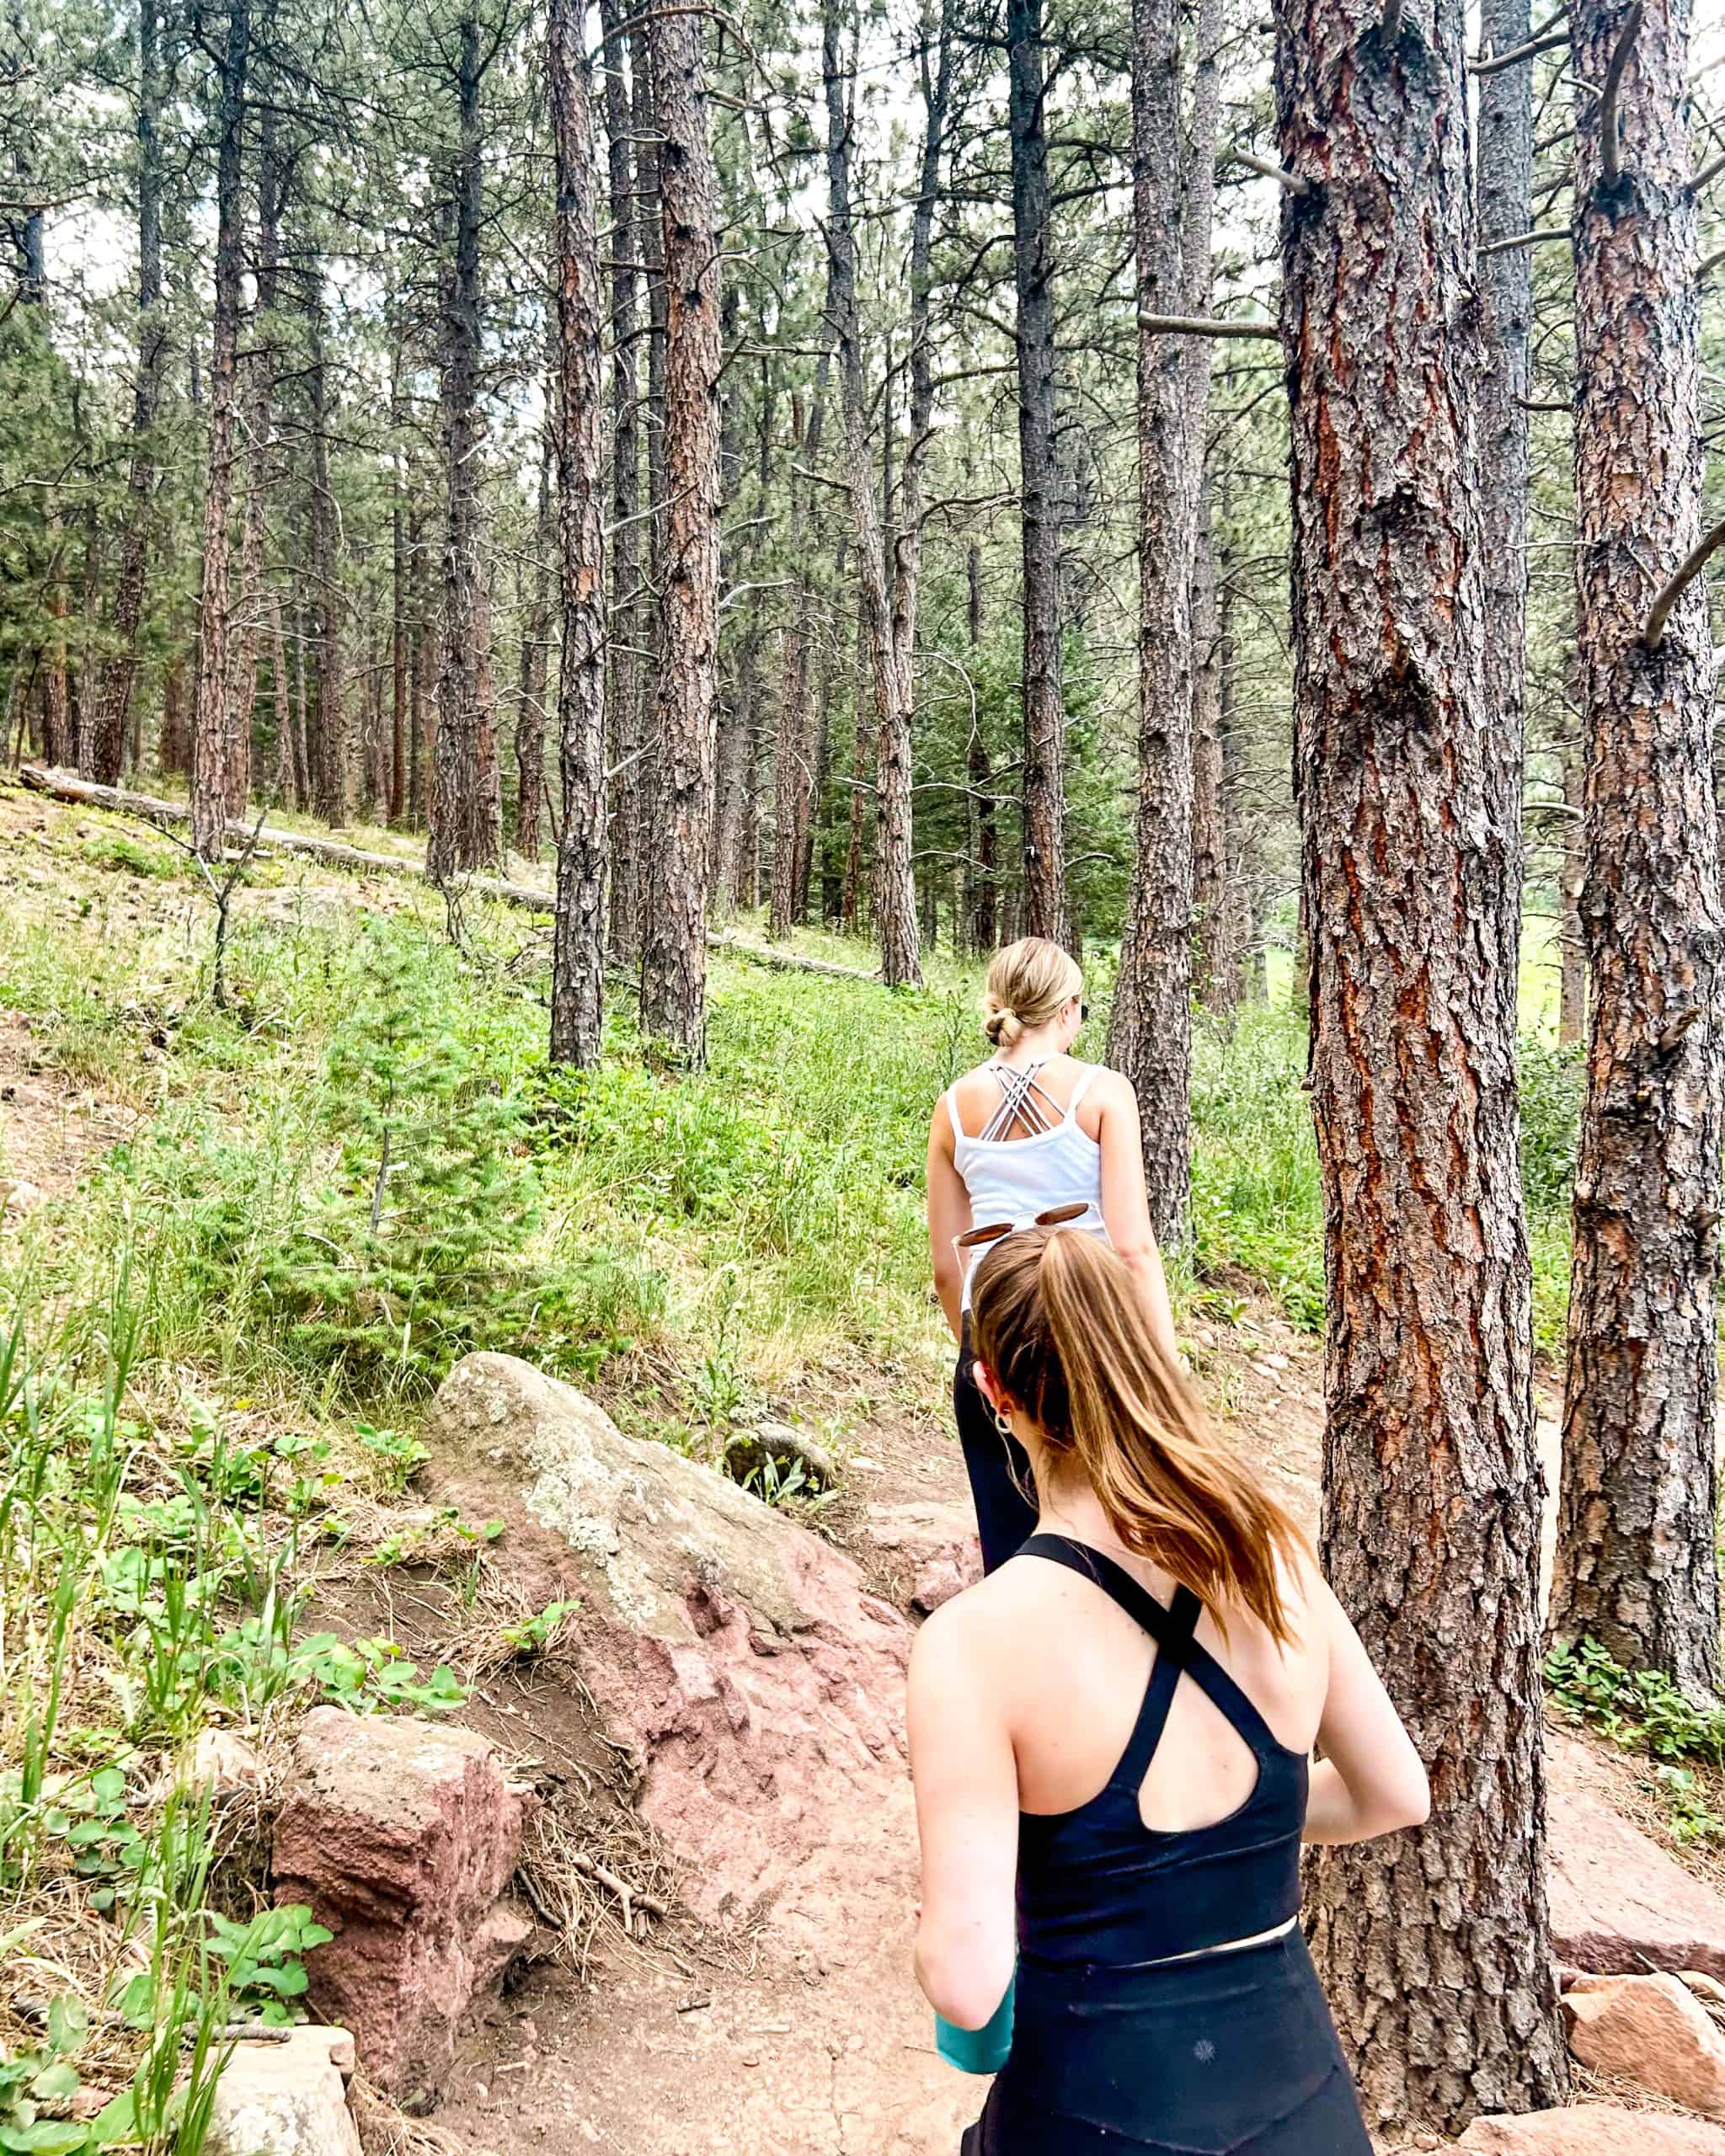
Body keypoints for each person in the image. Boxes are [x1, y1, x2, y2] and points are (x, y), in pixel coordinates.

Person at [908, 1226, 1429, 2156]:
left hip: (1093, 2111)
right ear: (1141, 1352)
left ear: (995, 1393)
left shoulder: (972, 1645)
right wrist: (1230, 1827)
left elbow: (967, 1984)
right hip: (1302, 2102)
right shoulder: (1272, 1559)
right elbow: (1395, 1793)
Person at [926, 937, 1177, 1572]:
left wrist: (981, 1346)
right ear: (1067, 1010)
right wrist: (1161, 1365)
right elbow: (1135, 1248)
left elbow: (946, 1267)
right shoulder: (1102, 1091)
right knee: (1115, 1531)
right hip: (1090, 1328)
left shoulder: (953, 1107)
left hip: (995, 1337)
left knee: (1014, 1544)